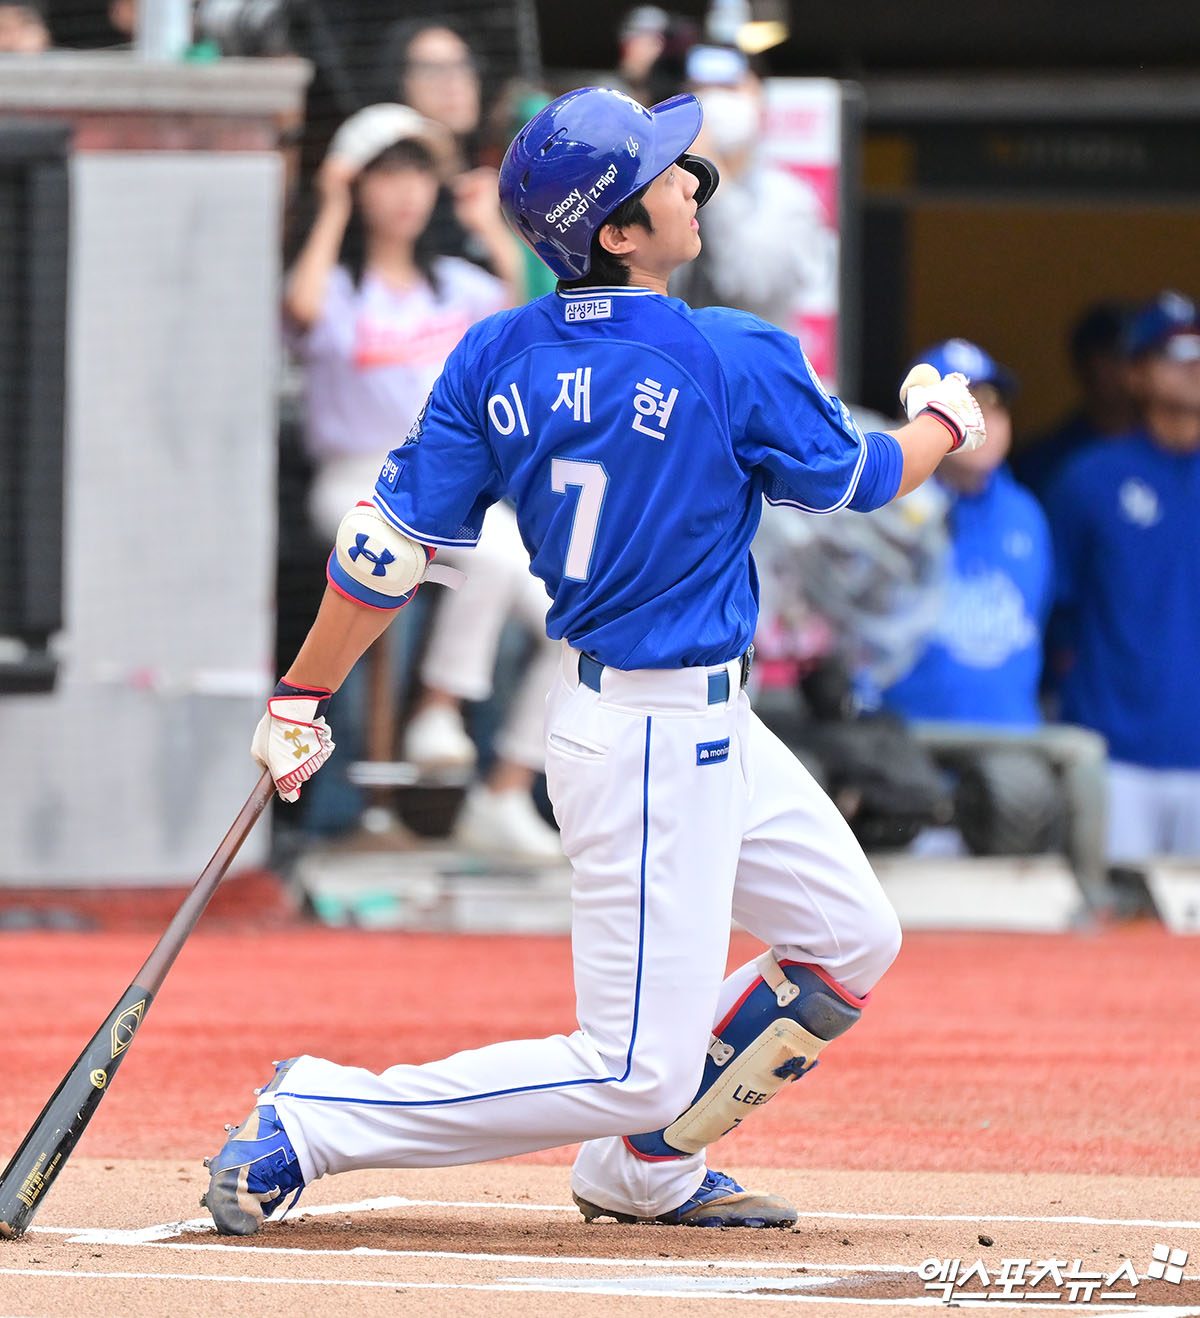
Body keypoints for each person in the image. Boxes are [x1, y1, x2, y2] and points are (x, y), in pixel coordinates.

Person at [203, 86, 984, 1235]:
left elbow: (383, 552)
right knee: (631, 1066)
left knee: (848, 938)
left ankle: (643, 1170)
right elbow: (865, 479)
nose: (693, 180)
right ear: (616, 230)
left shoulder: (495, 352)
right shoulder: (728, 351)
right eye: (668, 174)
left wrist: (300, 691)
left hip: (682, 725)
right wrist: (943, 422)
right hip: (653, 738)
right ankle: (318, 1117)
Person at [284, 103, 557, 854]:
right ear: (356, 184)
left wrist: (496, 228)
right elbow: (302, 310)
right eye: (386, 174)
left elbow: (534, 324)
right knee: (494, 552)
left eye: (419, 173)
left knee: (576, 618)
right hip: (355, 481)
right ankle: (436, 709)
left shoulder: (459, 286)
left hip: (449, 486)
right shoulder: (337, 285)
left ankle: (502, 792)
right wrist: (332, 201)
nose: (406, 191)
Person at [1046, 290, 1200, 863]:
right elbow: (1053, 610)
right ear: (1134, 374)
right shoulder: (1090, 478)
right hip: (1115, 754)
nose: (1193, 364)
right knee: (1112, 940)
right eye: (1173, 352)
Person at [882, 340, 1050, 726]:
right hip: (906, 753)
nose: (982, 416)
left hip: (1013, 756)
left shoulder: (1026, 513)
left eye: (993, 402)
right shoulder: (883, 507)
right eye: (961, 402)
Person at [1012, 301, 1137, 503]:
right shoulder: (1049, 460)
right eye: (1112, 355)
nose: (1126, 369)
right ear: (1085, 366)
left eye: (1135, 356)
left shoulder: (1176, 451)